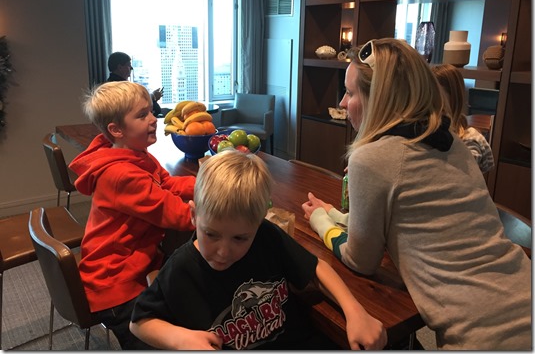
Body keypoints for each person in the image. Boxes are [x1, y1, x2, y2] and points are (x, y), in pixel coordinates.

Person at [302, 38, 532, 350]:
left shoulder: (371, 158)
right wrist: (334, 213)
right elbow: (416, 220)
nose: (342, 103)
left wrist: (319, 220)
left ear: (378, 99)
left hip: (486, 335)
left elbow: (361, 260)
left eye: (351, 93)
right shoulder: (451, 142)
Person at [129, 150, 387, 350]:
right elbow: (139, 322)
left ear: (259, 221)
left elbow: (316, 267)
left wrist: (355, 312)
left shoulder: (266, 235)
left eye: (240, 238)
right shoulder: (181, 267)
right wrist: (180, 339)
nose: (223, 251)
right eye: (211, 234)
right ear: (194, 216)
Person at [69, 81, 196, 349]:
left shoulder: (137, 155)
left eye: (150, 111)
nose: (153, 119)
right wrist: (220, 208)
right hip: (116, 283)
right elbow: (178, 215)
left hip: (131, 267)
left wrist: (206, 184)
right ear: (116, 130)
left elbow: (166, 184)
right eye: (141, 115)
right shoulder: (122, 174)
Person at [432, 63, 494, 173]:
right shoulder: (428, 132)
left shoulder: (469, 141)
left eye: (435, 95)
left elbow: (462, 176)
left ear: (453, 97)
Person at [106, 51, 163, 116]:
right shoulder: (125, 89)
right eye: (128, 65)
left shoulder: (105, 87)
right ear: (120, 68)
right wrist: (152, 97)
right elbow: (153, 110)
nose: (131, 68)